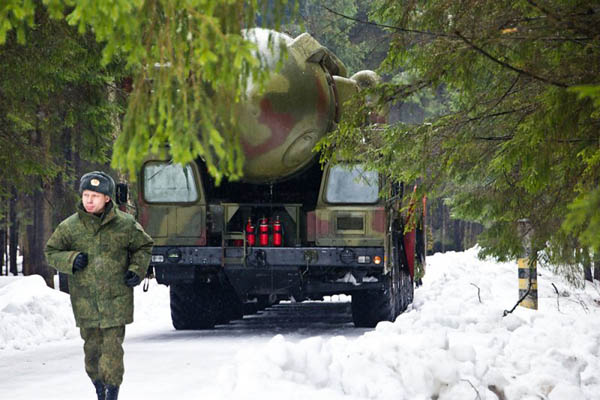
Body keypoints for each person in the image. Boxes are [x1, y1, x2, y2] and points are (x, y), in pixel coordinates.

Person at [45, 171, 153, 400]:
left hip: (116, 300)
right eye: (86, 195)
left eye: (95, 195)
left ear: (107, 198)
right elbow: (51, 252)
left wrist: (137, 270)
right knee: (92, 354)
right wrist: (71, 260)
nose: (89, 200)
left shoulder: (125, 225)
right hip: (86, 303)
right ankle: (99, 387)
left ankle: (112, 393)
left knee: (112, 352)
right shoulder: (70, 227)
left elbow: (143, 247)